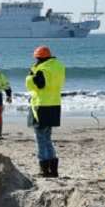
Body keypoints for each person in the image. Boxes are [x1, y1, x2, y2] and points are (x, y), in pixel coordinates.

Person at [26, 45, 65, 178]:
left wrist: (31, 76)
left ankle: (44, 169)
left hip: (41, 106)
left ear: (39, 58)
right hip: (54, 104)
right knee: (47, 138)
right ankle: (53, 170)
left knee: (41, 139)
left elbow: (40, 85)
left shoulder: (41, 69)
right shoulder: (58, 66)